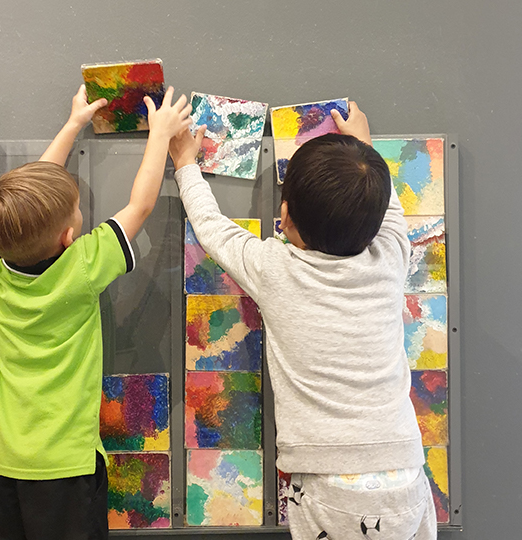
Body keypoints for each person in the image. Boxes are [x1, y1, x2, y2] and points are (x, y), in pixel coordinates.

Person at [168, 103, 437, 539]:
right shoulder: (391, 256)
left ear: (285, 216)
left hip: (329, 486)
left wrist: (184, 164)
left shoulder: (276, 268)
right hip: (405, 473)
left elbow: (212, 228)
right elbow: (387, 210)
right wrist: (363, 147)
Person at [0, 83, 192, 540]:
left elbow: (33, 196)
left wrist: (73, 124)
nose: (80, 211)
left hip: (6, 463)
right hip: (68, 468)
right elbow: (141, 204)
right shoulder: (81, 269)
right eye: (77, 210)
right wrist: (159, 135)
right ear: (68, 238)